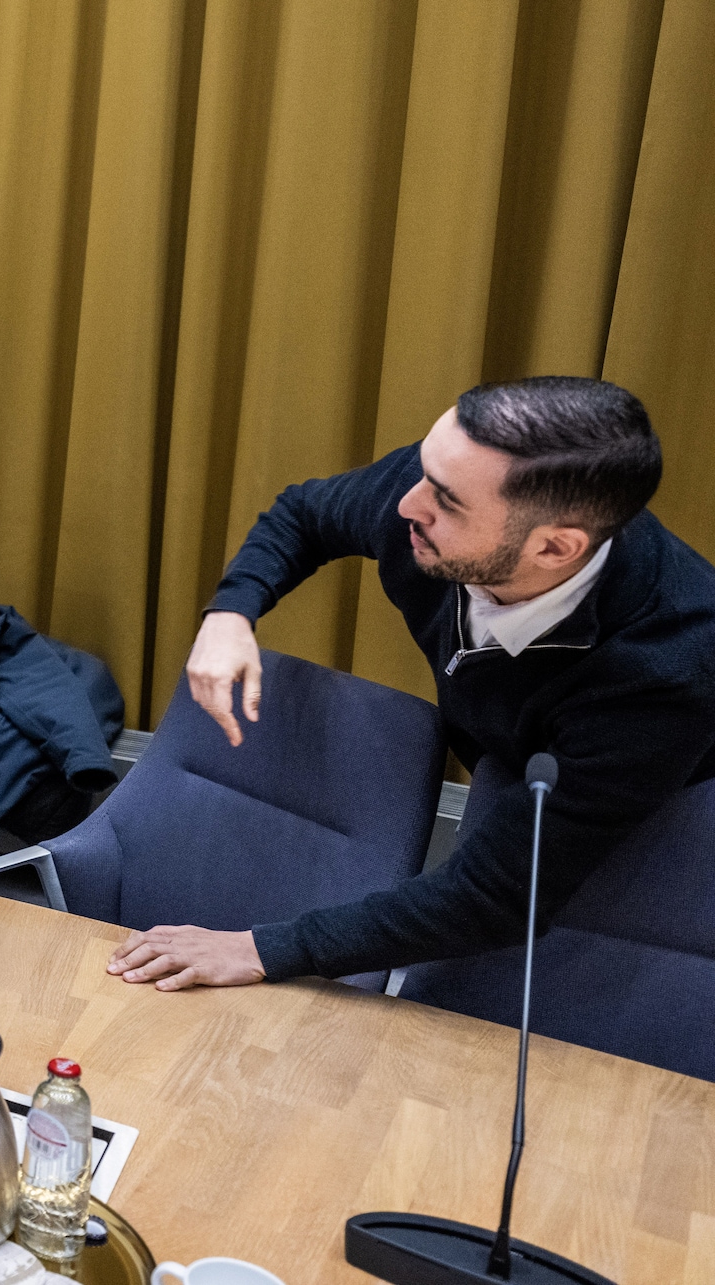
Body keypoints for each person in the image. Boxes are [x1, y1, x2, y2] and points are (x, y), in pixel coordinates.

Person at [109, 377, 715, 991]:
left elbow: (497, 901)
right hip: (517, 754)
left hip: (667, 815)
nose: (405, 504)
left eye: (445, 502)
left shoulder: (662, 673)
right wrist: (230, 614)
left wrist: (260, 949)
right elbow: (305, 514)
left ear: (555, 548)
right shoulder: (433, 487)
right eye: (424, 470)